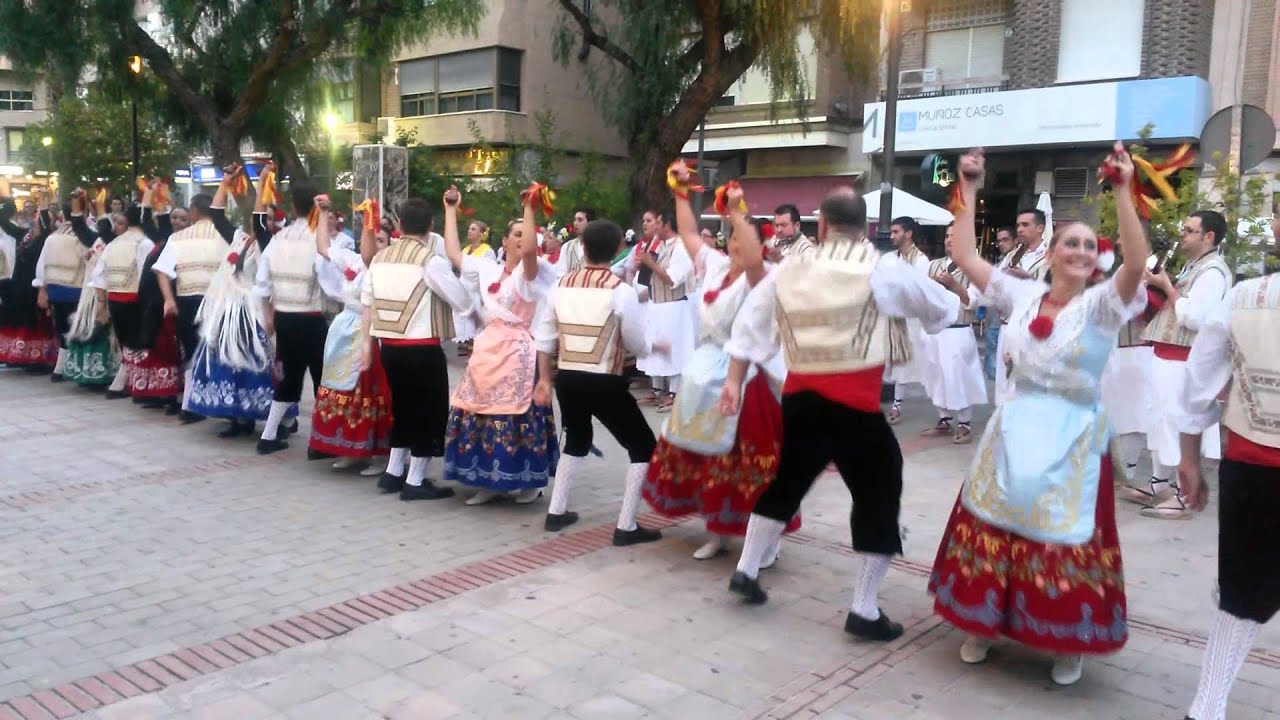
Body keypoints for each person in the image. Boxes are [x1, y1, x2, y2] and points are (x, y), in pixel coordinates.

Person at [928, 144, 1148, 686]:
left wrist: (1123, 190)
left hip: (1072, 437)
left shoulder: (1102, 307)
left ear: (1097, 259)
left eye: (1087, 246)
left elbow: (1138, 264)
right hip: (1015, 426)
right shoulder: (1021, 295)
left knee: (1063, 537)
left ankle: (1065, 640)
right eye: (1068, 243)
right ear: (1050, 254)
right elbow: (961, 252)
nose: (1078, 251)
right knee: (994, 523)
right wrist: (970, 186)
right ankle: (983, 624)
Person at [721, 186, 961, 647]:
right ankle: (864, 608)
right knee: (879, 491)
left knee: (788, 481)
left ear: (823, 226)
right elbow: (939, 308)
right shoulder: (881, 268)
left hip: (800, 398)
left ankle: (747, 570)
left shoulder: (789, 271)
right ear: (867, 228)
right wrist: (950, 304)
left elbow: (749, 328)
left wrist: (734, 380)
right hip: (854, 403)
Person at [642, 163, 797, 561]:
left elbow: (751, 260)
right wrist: (679, 192)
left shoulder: (764, 275)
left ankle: (764, 538)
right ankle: (719, 529)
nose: (736, 246)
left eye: (744, 240)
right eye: (732, 240)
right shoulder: (712, 267)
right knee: (705, 457)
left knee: (745, 460)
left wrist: (735, 208)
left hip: (745, 377)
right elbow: (691, 233)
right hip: (703, 372)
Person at [1175, 215, 1280, 720]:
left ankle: (1207, 707)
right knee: (1243, 593)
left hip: (1253, 465)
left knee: (1243, 593)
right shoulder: (1240, 297)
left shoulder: (1243, 298)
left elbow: (1197, 383)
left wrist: (1189, 457)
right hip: (1252, 464)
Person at [532, 217, 671, 541]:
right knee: (641, 445)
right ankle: (626, 526)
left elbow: (544, 336)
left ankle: (556, 511)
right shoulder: (619, 291)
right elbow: (635, 342)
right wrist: (654, 347)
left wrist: (544, 380)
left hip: (567, 376)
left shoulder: (560, 285)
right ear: (617, 249)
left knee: (578, 437)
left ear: (582, 247)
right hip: (604, 379)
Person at [442, 186, 560, 505]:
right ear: (505, 241)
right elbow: (454, 254)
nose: (523, 238)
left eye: (528, 232)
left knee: (515, 414)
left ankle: (526, 480)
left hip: (519, 350)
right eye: (517, 233)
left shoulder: (530, 273)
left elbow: (532, 253)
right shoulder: (487, 268)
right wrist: (451, 209)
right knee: (479, 411)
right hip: (487, 348)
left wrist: (530, 207)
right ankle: (485, 479)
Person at [362, 197, 475, 501]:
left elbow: (368, 301)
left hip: (389, 347)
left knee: (401, 408)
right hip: (422, 347)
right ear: (431, 227)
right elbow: (461, 301)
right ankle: (415, 480)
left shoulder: (381, 258)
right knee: (428, 412)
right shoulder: (430, 260)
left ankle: (393, 472)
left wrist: (366, 345)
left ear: (398, 224)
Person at [1128, 210, 1233, 519]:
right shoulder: (1196, 266)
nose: (1182, 235)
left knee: (1175, 422)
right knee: (1160, 420)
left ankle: (1181, 494)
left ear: (1208, 237)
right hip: (1168, 355)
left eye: (1189, 230)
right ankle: (1160, 483)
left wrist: (1167, 287)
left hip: (1183, 359)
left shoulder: (1213, 272)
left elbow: (1196, 318)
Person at [184, 168, 290, 434]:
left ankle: (267, 418)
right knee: (228, 364)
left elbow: (257, 221)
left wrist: (262, 182)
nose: (261, 223)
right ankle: (235, 417)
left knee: (252, 365)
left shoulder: (269, 246)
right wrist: (225, 183)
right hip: (229, 312)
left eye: (267, 219)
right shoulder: (239, 239)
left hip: (252, 313)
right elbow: (217, 216)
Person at [252, 180, 342, 455]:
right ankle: (320, 442)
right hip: (312, 317)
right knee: (321, 378)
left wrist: (268, 315)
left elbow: (262, 283)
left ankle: (268, 436)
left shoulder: (278, 239)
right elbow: (332, 284)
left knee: (288, 378)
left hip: (284, 317)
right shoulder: (320, 240)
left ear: (292, 206)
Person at [306, 197, 393, 467]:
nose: (374, 244)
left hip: (372, 334)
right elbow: (322, 247)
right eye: (371, 237)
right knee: (338, 389)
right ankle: (347, 448)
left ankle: (377, 454)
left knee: (368, 391)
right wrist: (321, 212)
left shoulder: (388, 269)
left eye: (380, 240)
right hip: (344, 329)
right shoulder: (352, 261)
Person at [152, 185, 237, 423]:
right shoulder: (227, 235)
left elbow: (161, 271)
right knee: (220, 353)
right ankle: (225, 406)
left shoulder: (177, 238)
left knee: (191, 352)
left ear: (193, 212)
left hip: (186, 300)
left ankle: (190, 406)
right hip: (218, 302)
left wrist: (169, 300)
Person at [922, 223, 988, 444]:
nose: (949, 239)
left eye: (955, 236)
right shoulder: (933, 265)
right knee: (936, 375)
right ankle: (944, 419)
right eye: (948, 235)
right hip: (936, 331)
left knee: (959, 377)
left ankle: (964, 423)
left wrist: (953, 284)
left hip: (959, 330)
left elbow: (972, 301)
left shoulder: (973, 267)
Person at [633, 207, 695, 413]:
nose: (655, 227)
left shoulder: (682, 247)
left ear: (667, 224)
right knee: (655, 347)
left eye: (658, 223)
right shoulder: (659, 245)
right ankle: (658, 389)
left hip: (674, 306)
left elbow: (672, 280)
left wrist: (651, 264)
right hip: (656, 304)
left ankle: (674, 393)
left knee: (675, 351)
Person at [33, 193, 101, 382]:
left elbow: (41, 264)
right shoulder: (86, 235)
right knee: (80, 330)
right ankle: (77, 369)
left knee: (62, 327)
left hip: (55, 289)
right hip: (78, 289)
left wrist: (42, 289)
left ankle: (59, 368)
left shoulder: (53, 236)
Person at [91, 203, 154, 398]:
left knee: (125, 342)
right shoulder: (143, 243)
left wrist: (101, 304)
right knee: (137, 342)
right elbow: (146, 274)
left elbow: (99, 275)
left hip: (114, 298)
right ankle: (135, 384)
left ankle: (122, 383)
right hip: (135, 299)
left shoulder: (114, 243)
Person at [883, 216, 933, 424]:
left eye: (896, 231)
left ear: (909, 233)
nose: (892, 236)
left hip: (909, 320)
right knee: (886, 361)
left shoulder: (921, 260)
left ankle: (896, 406)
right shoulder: (892, 258)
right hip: (890, 316)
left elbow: (915, 291)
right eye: (892, 232)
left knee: (904, 364)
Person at [0, 195, 58, 370]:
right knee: (21, 320)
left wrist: (45, 209)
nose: (34, 224)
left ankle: (38, 359)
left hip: (35, 288)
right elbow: (5, 223)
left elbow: (46, 226)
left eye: (37, 222)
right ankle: (21, 356)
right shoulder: (25, 236)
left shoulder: (44, 241)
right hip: (20, 287)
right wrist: (7, 203)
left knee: (35, 323)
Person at [981, 227, 1015, 380]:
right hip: (994, 316)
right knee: (992, 353)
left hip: (1011, 319)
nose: (1001, 243)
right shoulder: (998, 265)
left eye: (1005, 240)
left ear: (1015, 241)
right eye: (999, 240)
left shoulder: (1018, 263)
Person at [553, 207, 595, 276]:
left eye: (580, 220)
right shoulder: (567, 246)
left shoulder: (598, 247)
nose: (575, 223)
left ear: (590, 223)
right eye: (575, 220)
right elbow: (560, 274)